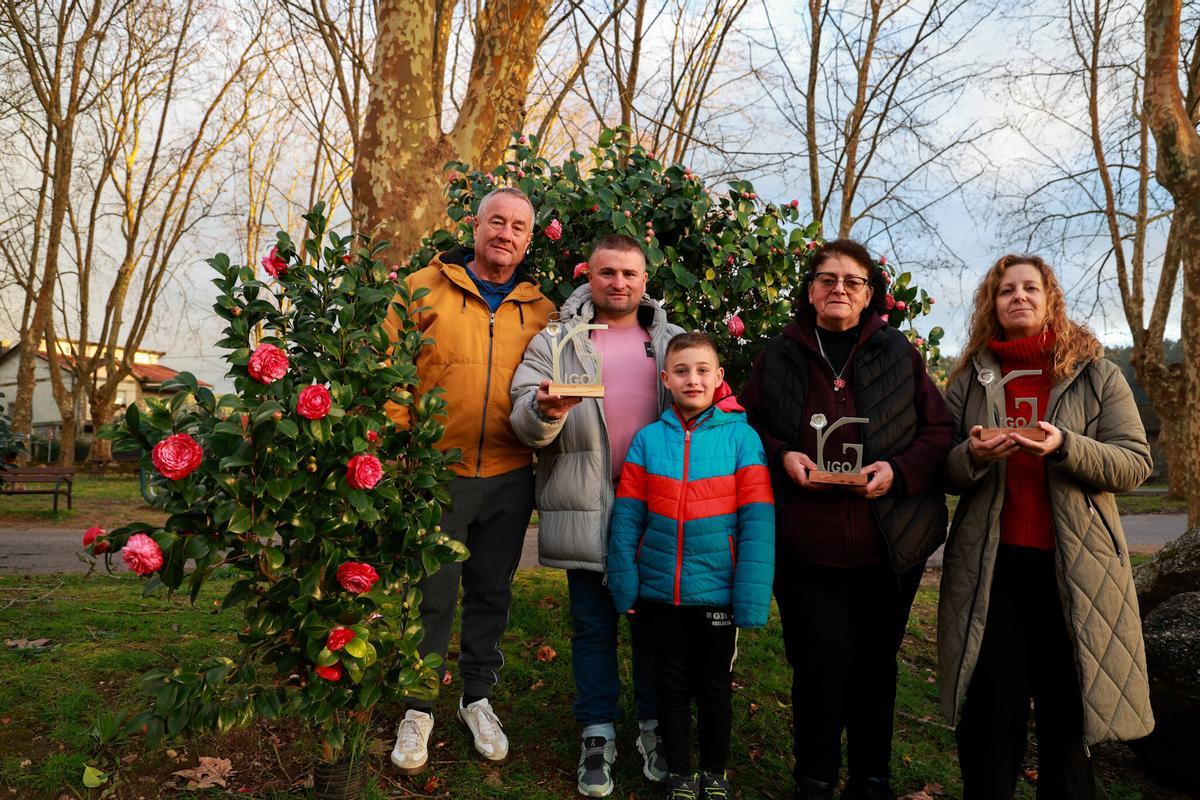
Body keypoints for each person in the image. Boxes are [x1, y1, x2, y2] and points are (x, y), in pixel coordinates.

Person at [741, 239, 954, 800]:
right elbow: (747, 425)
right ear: (810, 290)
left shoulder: (898, 353)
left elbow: (939, 432)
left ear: (870, 295)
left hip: (888, 545)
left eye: (853, 281)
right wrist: (781, 453)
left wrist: (899, 472)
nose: (839, 288)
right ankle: (814, 778)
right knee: (816, 666)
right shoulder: (778, 356)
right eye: (827, 278)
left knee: (875, 669)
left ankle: (870, 780)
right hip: (804, 545)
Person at [938, 254, 1154, 799]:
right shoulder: (970, 378)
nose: (1019, 297)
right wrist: (975, 453)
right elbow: (941, 464)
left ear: (1049, 297)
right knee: (989, 708)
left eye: (1030, 287)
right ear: (993, 302)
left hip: (1077, 566)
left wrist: (1065, 446)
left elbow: (1133, 463)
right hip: (992, 568)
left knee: (1068, 709)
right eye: (1006, 289)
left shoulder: (1097, 373)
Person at [383, 187, 555, 775]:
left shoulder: (543, 311)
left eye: (519, 227)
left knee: (491, 592)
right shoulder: (420, 290)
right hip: (437, 474)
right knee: (430, 594)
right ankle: (418, 706)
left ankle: (476, 697)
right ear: (474, 225)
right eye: (497, 222)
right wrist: (404, 453)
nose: (506, 234)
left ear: (529, 239)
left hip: (510, 476)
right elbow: (390, 374)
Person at [510, 234, 682, 797]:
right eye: (607, 273)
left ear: (645, 279)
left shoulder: (671, 342)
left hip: (657, 509)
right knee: (592, 626)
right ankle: (598, 732)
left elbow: (711, 407)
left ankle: (655, 727)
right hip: (584, 502)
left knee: (654, 628)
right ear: (591, 274)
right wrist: (543, 409)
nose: (619, 283)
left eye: (629, 274)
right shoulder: (558, 339)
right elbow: (522, 416)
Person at [608, 331, 775, 800]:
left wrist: (750, 597)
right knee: (671, 686)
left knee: (715, 688)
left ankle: (715, 772)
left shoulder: (742, 439)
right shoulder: (647, 441)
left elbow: (758, 522)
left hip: (717, 592)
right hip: (660, 592)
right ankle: (681, 773)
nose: (692, 379)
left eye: (703, 370)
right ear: (665, 379)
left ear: (719, 377)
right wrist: (627, 584)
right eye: (681, 370)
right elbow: (627, 520)